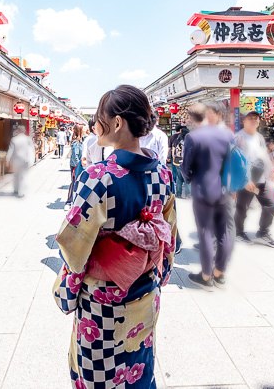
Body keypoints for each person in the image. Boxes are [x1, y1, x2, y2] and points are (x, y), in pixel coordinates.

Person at [53, 85, 176, 388]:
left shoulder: (98, 177)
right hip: (144, 294)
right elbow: (169, 238)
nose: (95, 125)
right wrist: (157, 273)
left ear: (117, 123)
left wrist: (67, 288)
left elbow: (73, 244)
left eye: (98, 118)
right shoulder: (162, 175)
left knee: (100, 376)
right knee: (138, 371)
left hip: (103, 302)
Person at [181, 100, 235, 287]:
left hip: (203, 189)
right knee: (226, 231)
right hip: (225, 190)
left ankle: (206, 276)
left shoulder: (194, 137)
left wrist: (189, 179)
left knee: (205, 232)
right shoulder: (228, 135)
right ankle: (219, 272)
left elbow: (185, 168)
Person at [234, 111, 274, 248]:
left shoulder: (259, 137)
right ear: (244, 121)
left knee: (270, 205)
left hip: (261, 178)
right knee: (242, 208)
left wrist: (271, 172)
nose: (254, 121)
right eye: (250, 118)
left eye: (256, 118)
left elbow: (263, 156)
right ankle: (238, 233)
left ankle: (263, 232)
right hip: (246, 179)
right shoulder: (239, 138)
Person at [6, 125, 35, 197]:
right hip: (25, 159)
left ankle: (16, 189)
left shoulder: (14, 139)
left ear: (18, 131)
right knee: (23, 175)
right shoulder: (28, 139)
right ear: (24, 131)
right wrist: (32, 159)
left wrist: (7, 160)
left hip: (16, 160)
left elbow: (10, 151)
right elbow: (31, 150)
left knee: (16, 175)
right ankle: (21, 192)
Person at [168, 126, 189, 198]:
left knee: (179, 178)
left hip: (177, 161)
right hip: (185, 162)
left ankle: (178, 194)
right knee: (187, 178)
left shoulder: (176, 140)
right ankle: (187, 194)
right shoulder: (188, 141)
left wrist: (173, 158)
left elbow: (173, 150)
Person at [67, 124, 85, 204]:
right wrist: (79, 166)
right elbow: (75, 156)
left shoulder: (80, 141)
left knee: (75, 181)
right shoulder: (76, 142)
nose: (85, 131)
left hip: (76, 165)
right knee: (74, 181)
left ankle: (72, 200)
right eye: (83, 129)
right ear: (80, 131)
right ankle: (70, 200)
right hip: (76, 166)